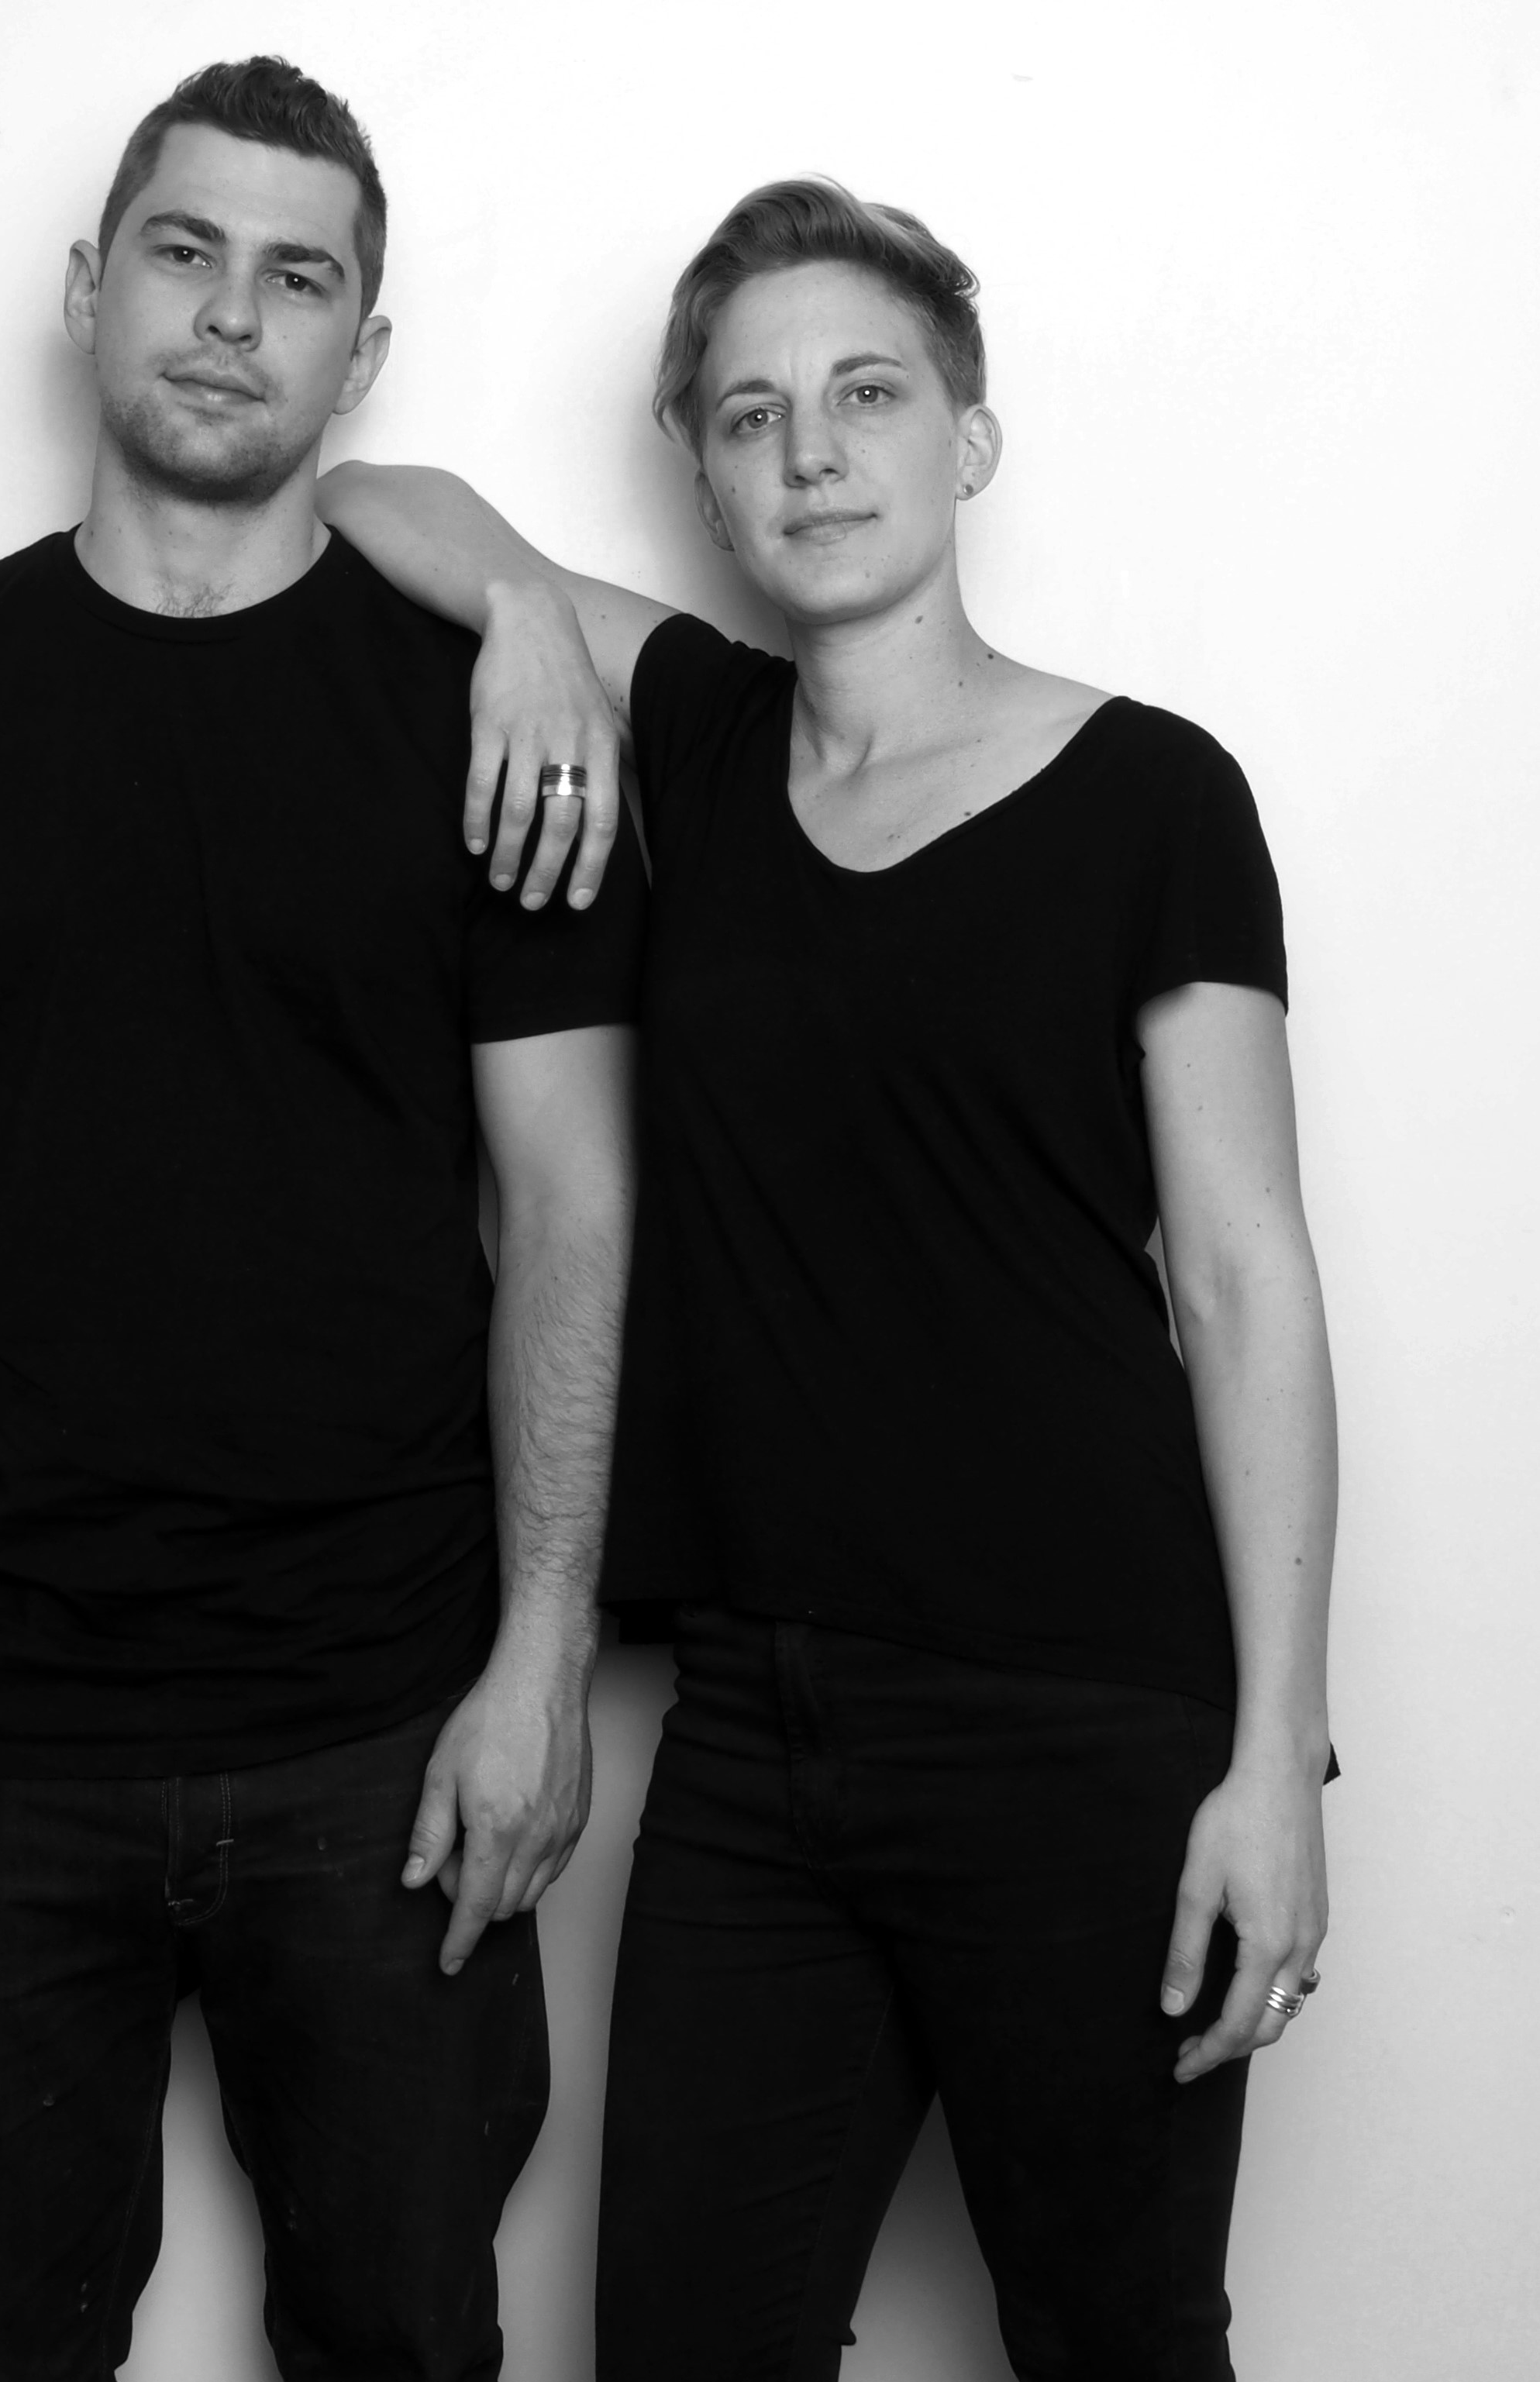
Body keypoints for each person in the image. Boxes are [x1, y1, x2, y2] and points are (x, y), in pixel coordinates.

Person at [318, 175, 1335, 2381]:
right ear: (702, 474)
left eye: (867, 394)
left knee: (1119, 2344)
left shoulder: (1153, 795)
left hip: (1088, 1723)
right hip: (756, 1742)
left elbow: (1246, 1281)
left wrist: (1273, 1763)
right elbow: (368, 495)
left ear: (968, 437)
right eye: (751, 412)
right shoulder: (693, 739)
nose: (812, 451)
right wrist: (527, 613)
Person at [0, 56, 644, 2382]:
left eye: (297, 278)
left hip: (390, 1730)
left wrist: (541, 1654)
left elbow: (570, 1198)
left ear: (362, 352)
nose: (232, 315)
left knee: (407, 2348)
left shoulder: (487, 724)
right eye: (185, 253)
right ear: (87, 288)